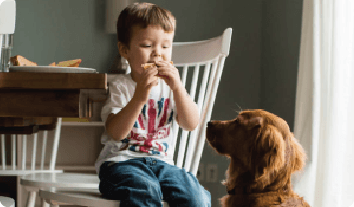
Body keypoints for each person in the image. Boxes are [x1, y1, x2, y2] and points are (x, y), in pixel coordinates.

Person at [95, 2, 211, 207]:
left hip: (163, 165)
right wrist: (139, 96)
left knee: (196, 196)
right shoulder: (121, 86)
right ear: (125, 50)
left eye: (165, 46)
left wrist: (178, 89)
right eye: (147, 46)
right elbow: (116, 132)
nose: (158, 54)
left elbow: (191, 124)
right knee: (146, 190)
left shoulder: (171, 88)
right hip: (122, 163)